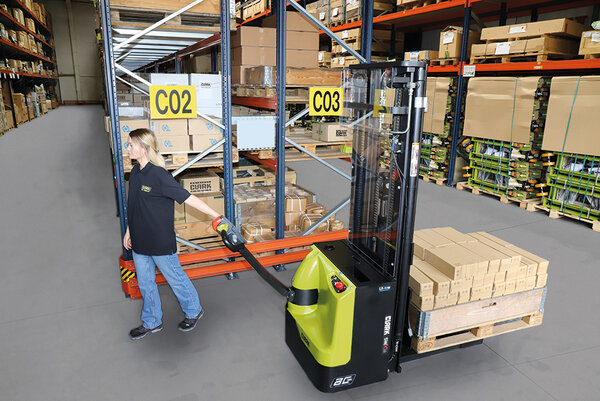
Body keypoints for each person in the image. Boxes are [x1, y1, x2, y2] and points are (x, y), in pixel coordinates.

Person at [123, 128, 222, 340]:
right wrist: (128, 231)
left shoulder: (159, 175)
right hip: (139, 241)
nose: (127, 148)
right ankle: (152, 321)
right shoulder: (136, 172)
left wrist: (217, 216)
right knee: (145, 284)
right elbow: (134, 206)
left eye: (130, 144)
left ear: (143, 148)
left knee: (175, 279)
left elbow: (188, 198)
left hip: (159, 242)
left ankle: (193, 310)